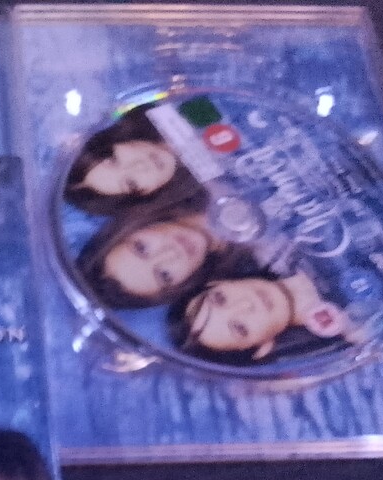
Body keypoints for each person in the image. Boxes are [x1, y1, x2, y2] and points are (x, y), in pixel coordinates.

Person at [76, 194, 259, 311]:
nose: (170, 254)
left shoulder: (188, 171)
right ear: (181, 286)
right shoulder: (262, 265)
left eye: (142, 248)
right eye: (164, 275)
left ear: (131, 227)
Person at [169, 269, 366, 366]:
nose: (246, 305)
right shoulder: (363, 328)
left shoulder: (279, 228)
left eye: (220, 299)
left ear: (218, 282)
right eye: (240, 328)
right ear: (262, 348)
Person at [64, 104, 204, 217]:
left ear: (113, 138)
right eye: (131, 183)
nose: (139, 167)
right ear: (148, 195)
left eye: (114, 160)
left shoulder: (164, 98)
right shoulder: (212, 188)